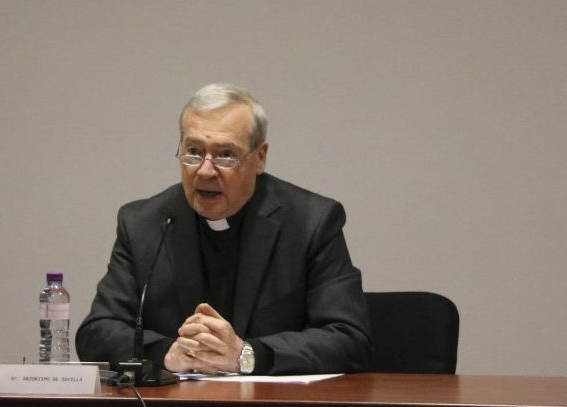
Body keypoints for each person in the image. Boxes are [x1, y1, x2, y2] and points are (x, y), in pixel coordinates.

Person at [76, 83, 371, 375]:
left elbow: (348, 338)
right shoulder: (144, 224)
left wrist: (247, 355)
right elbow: (96, 332)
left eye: (225, 154)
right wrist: (167, 353)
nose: (204, 171)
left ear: (260, 158)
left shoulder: (311, 222)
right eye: (193, 151)